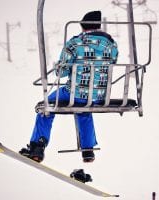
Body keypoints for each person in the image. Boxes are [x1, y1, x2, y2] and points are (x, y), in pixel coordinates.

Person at [19, 11, 118, 163]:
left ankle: (37, 147)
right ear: (98, 25)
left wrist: (61, 67)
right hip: (99, 97)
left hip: (75, 93)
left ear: (83, 26)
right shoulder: (111, 44)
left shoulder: (74, 43)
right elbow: (112, 63)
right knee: (84, 108)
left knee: (46, 105)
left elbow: (62, 72)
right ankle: (88, 150)